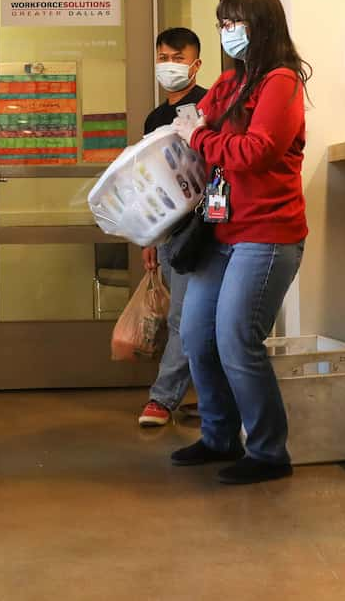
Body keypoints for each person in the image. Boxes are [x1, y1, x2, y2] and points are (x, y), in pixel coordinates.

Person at [169, 0, 309, 486]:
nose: (227, 33)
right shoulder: (232, 84)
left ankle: (269, 451)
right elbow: (197, 124)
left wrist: (199, 136)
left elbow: (256, 151)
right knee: (196, 336)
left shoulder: (281, 82)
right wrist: (189, 128)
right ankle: (218, 437)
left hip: (267, 235)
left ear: (261, 27)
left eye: (235, 24)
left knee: (236, 338)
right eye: (222, 23)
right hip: (221, 232)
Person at [137, 28, 207, 428]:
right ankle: (212, 395)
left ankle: (162, 399)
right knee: (185, 318)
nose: (169, 65)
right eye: (163, 57)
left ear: (196, 64)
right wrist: (149, 236)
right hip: (169, 229)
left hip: (207, 229)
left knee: (186, 317)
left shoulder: (212, 106)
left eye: (177, 58)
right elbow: (149, 181)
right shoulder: (156, 118)